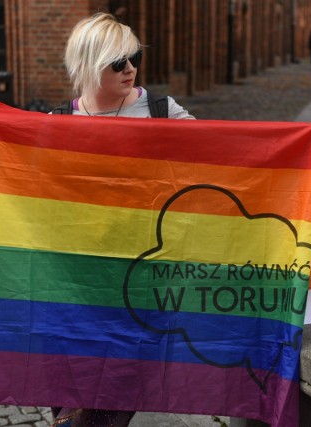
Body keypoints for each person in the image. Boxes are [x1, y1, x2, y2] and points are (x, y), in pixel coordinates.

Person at [50, 12, 194, 426]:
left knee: (107, 404)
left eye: (133, 58)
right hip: (75, 290)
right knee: (70, 399)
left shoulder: (162, 112)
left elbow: (223, 155)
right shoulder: (59, 125)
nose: (130, 69)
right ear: (89, 64)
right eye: (118, 62)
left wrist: (292, 146)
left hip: (140, 285)